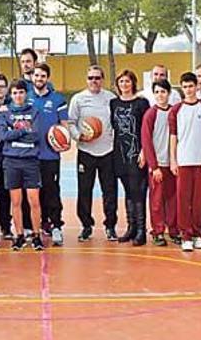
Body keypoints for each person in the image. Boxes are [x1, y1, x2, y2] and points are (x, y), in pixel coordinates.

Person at [68, 65, 117, 242]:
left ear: (102, 80)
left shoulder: (110, 98)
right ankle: (86, 226)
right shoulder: (78, 99)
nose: (94, 81)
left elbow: (116, 122)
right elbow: (71, 122)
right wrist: (78, 135)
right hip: (86, 151)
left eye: (97, 77)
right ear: (86, 80)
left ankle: (110, 226)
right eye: (90, 78)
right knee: (84, 190)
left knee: (110, 191)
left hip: (107, 151)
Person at [170, 72, 201, 252]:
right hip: (183, 161)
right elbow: (173, 136)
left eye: (191, 86)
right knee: (183, 200)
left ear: (197, 86)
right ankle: (186, 235)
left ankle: (197, 234)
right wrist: (173, 160)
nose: (188, 90)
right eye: (185, 86)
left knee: (199, 200)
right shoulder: (176, 110)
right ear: (182, 88)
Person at [0, 80, 44, 251]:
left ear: (26, 94)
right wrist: (25, 130)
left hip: (30, 161)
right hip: (11, 161)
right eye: (15, 92)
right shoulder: (4, 112)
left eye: (21, 92)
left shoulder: (34, 111)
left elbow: (36, 136)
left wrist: (15, 132)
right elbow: (4, 135)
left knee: (34, 201)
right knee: (15, 201)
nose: (18, 95)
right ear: (11, 94)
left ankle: (36, 235)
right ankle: (19, 235)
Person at [29, 63, 69, 246]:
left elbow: (64, 125)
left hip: (50, 154)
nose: (39, 79)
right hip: (29, 155)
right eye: (36, 75)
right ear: (32, 77)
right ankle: (35, 226)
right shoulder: (25, 98)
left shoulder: (58, 99)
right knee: (33, 193)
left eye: (42, 76)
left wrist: (65, 140)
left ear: (47, 78)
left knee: (52, 191)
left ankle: (55, 226)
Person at [109, 70, 150, 247]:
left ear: (133, 83)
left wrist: (145, 151)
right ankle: (131, 227)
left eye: (127, 81)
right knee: (127, 191)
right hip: (120, 152)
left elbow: (148, 129)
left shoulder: (141, 103)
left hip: (137, 153)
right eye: (121, 81)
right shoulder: (113, 103)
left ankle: (141, 230)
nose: (124, 84)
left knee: (138, 191)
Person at [141, 79, 179, 246]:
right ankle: (157, 231)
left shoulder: (175, 112)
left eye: (163, 92)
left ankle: (173, 229)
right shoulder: (151, 114)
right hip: (158, 165)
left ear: (169, 94)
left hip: (173, 164)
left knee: (173, 199)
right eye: (157, 92)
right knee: (156, 201)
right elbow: (146, 141)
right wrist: (153, 166)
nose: (160, 95)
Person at [0, 73, 23, 240]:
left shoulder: (13, 107)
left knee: (4, 194)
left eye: (2, 86)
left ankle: (5, 226)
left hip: (7, 156)